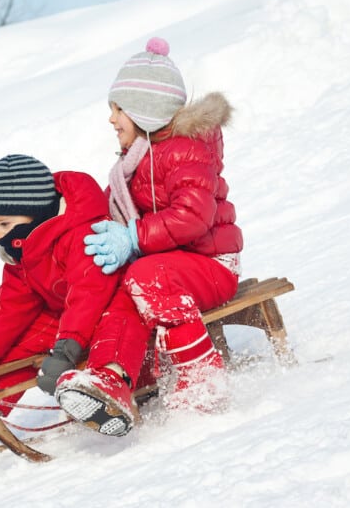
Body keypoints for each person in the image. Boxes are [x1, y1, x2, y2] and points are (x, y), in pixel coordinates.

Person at [54, 37, 243, 419]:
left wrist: (133, 237)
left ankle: (203, 378)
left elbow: (194, 216)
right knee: (123, 285)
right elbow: (105, 211)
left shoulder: (185, 150)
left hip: (212, 265)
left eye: (118, 109)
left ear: (145, 111)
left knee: (144, 273)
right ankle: (113, 378)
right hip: (171, 265)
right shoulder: (135, 160)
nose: (111, 119)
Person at [0, 154, 150, 442]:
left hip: (109, 303)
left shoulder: (83, 233)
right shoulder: (24, 252)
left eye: (4, 223)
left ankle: (108, 390)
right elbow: (8, 306)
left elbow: (89, 294)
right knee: (24, 341)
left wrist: (65, 352)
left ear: (33, 211)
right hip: (65, 314)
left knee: (117, 324)